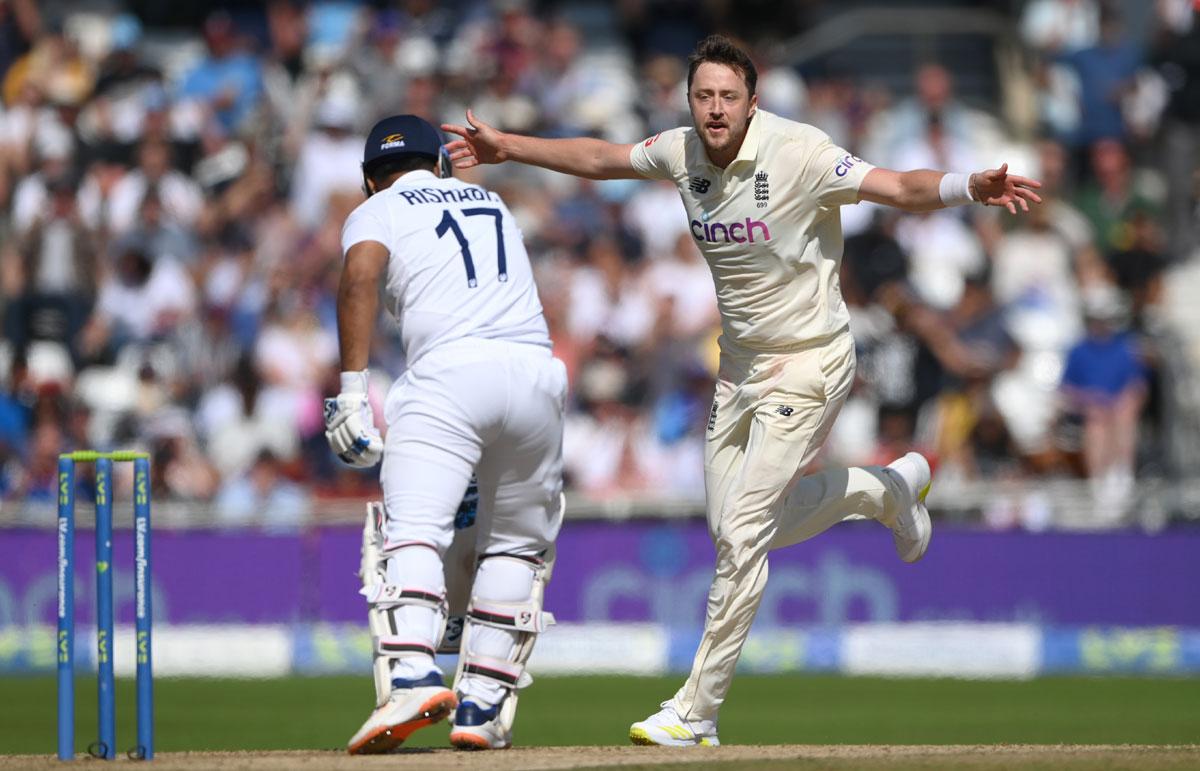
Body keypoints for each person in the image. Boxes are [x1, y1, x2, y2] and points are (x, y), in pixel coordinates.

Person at [442, 34, 1042, 747]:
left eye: (729, 97)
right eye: (704, 96)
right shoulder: (680, 151)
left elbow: (896, 187)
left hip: (810, 360)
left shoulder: (801, 151)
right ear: (689, 101)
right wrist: (507, 147)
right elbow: (602, 159)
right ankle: (884, 490)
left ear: (752, 103)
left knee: (744, 538)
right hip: (740, 368)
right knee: (735, 528)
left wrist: (968, 186)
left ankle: (696, 710)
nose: (716, 110)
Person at [323, 114, 567, 752]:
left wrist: (352, 392)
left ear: (368, 179)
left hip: (449, 376)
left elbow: (359, 278)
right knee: (515, 545)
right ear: (442, 163)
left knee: (412, 531)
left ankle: (411, 674)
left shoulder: (376, 209)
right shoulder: (492, 202)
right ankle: (481, 705)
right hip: (536, 375)